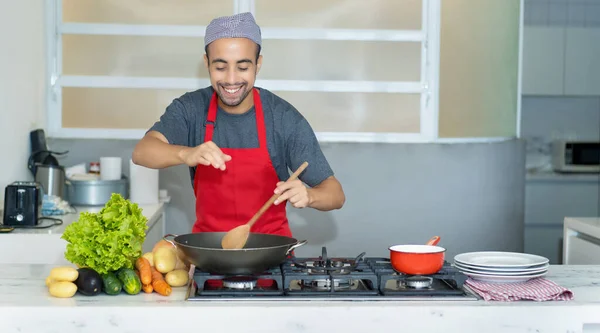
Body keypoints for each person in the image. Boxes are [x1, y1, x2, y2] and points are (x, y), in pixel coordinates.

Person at [132, 12, 345, 237]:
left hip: (271, 257)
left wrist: (310, 196)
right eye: (220, 67)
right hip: (209, 253)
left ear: (258, 63)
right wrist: (186, 153)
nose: (231, 79)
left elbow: (335, 193)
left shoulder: (282, 117)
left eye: (242, 67)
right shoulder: (191, 109)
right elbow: (142, 152)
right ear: (207, 63)